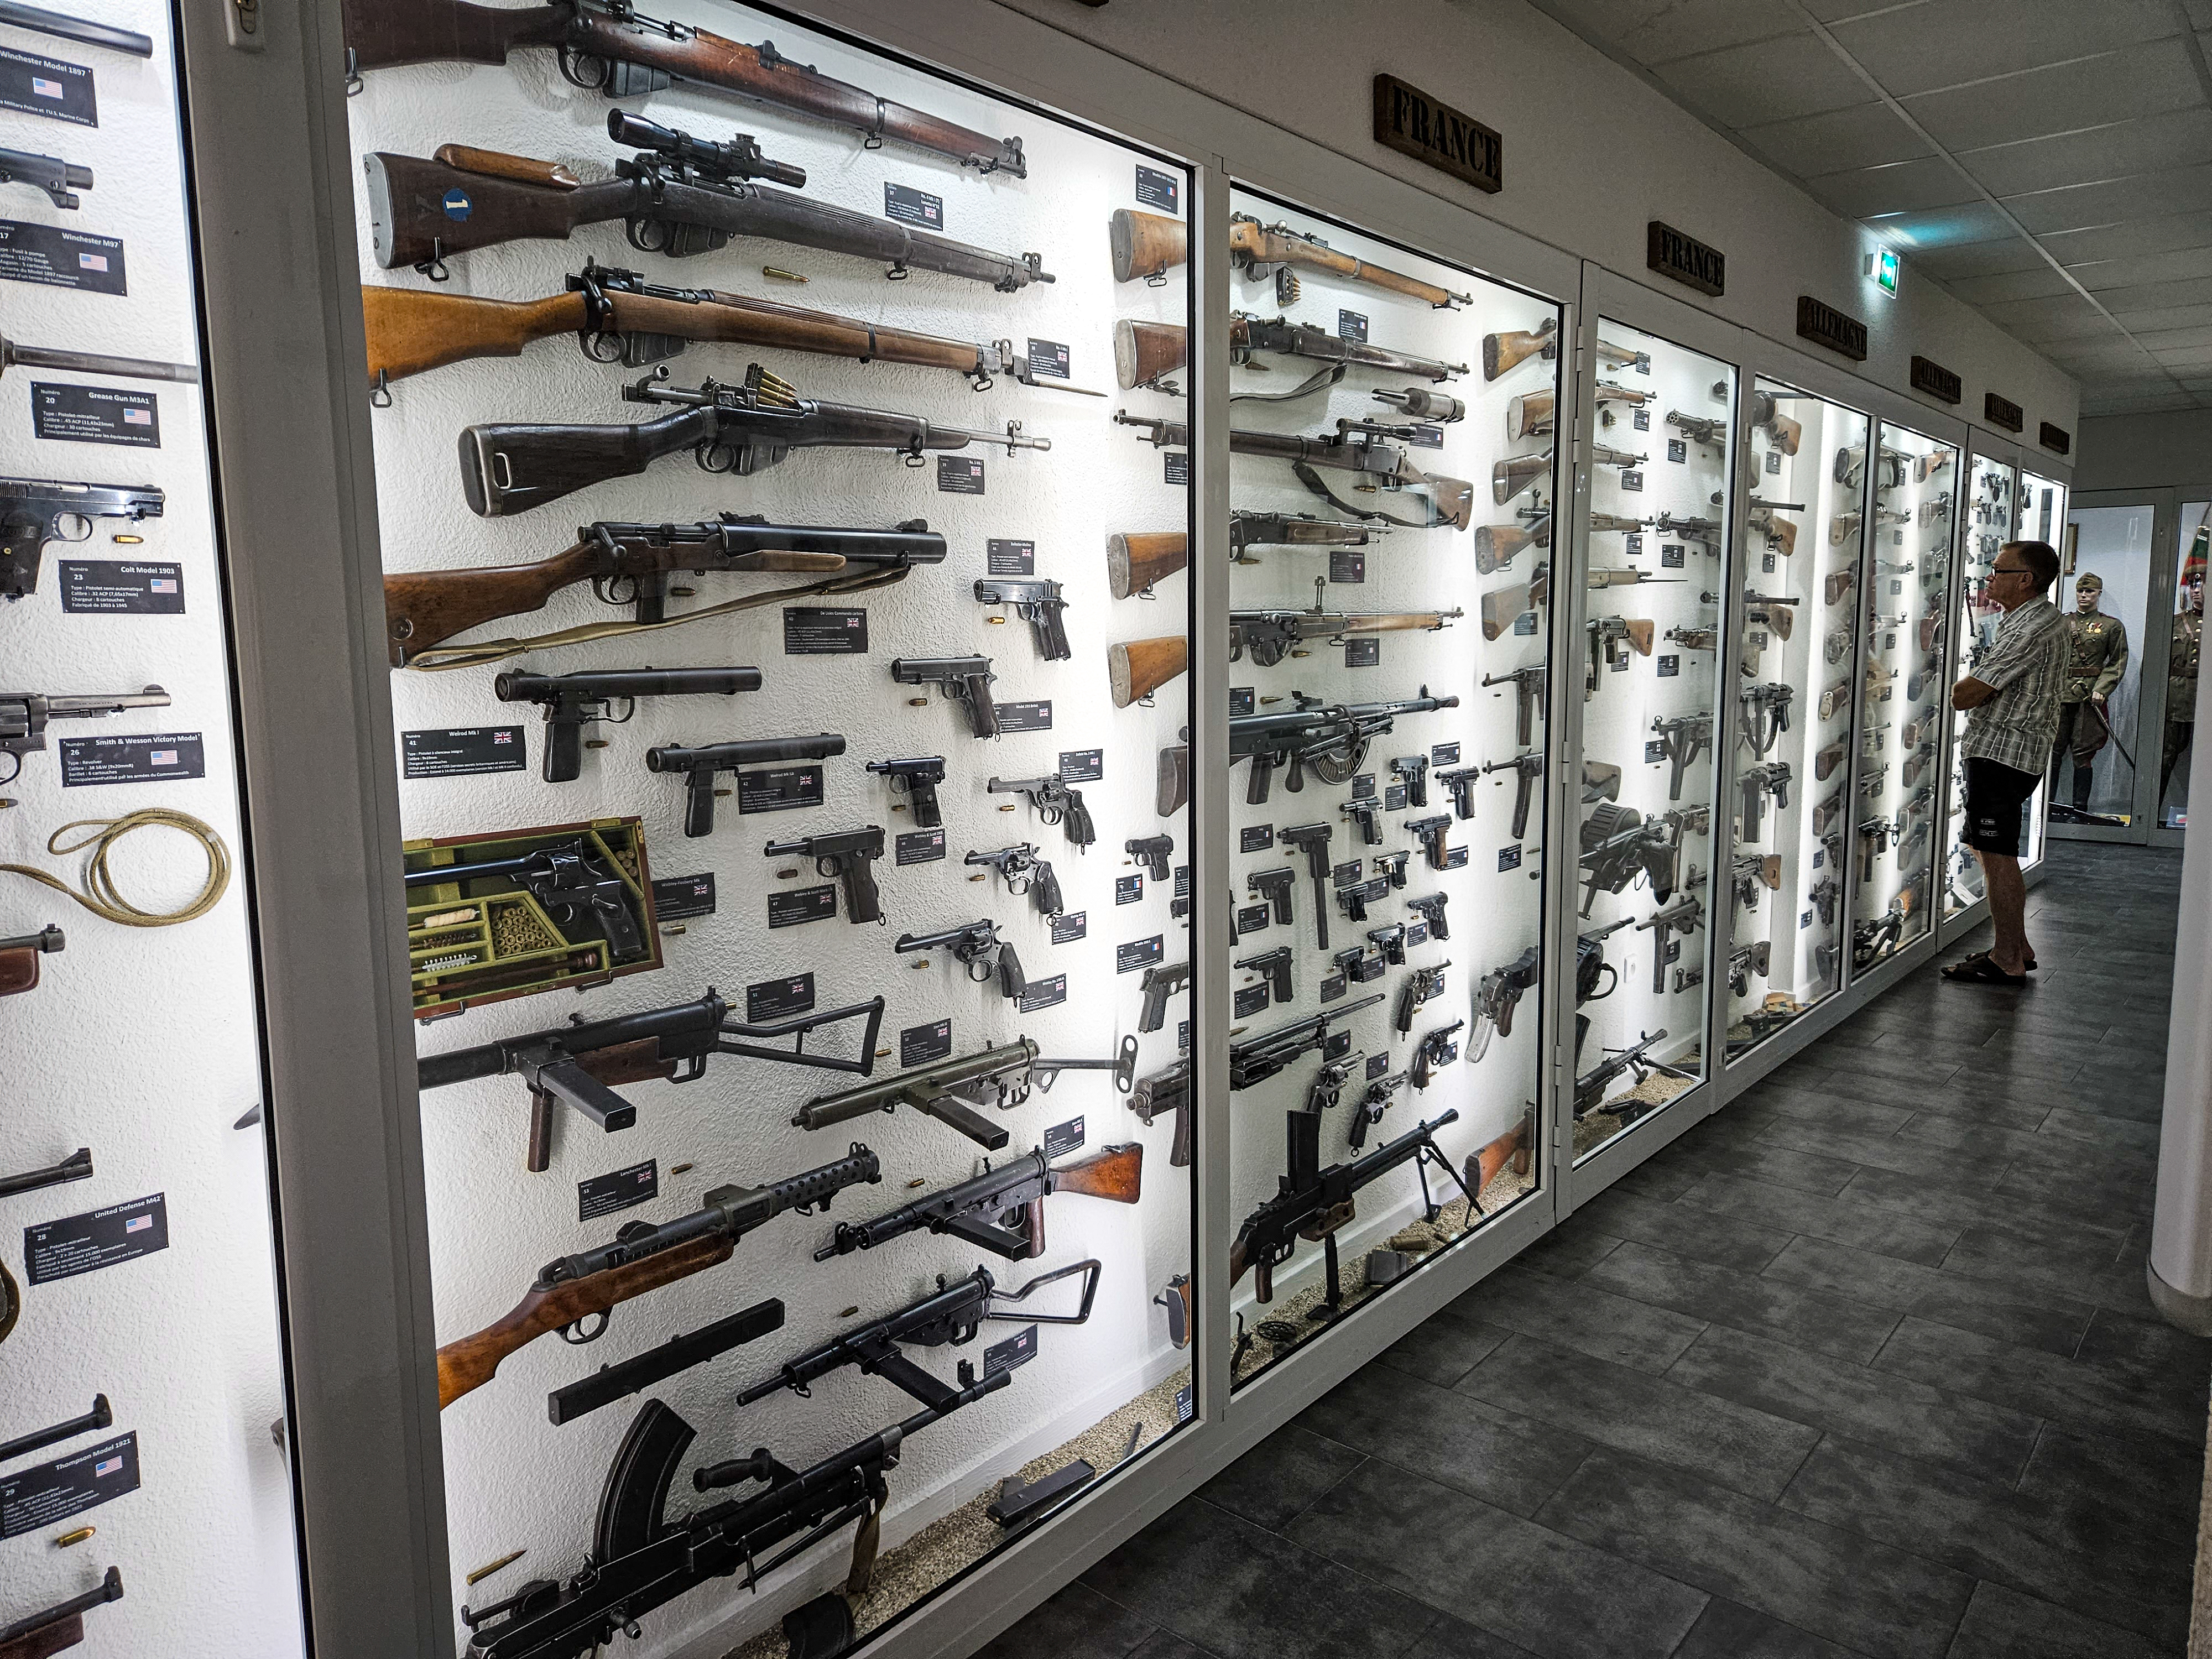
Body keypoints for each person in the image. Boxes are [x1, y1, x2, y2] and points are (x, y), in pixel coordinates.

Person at [1943, 540, 2067, 984]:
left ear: (2026, 580)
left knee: (1997, 856)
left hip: (2003, 753)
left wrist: (1956, 687)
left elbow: (1967, 695)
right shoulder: (2031, 619)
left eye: (1998, 570)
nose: (1990, 577)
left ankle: (2007, 958)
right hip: (2008, 750)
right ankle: (2017, 943)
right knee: (1986, 847)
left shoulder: (2030, 627)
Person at [2050, 571, 2128, 818]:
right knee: (2053, 751)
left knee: (2083, 755)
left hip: (2088, 697)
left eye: (2090, 591)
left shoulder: (2111, 626)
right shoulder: (2061, 622)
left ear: (2098, 594)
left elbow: (2117, 662)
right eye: (2081, 591)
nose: (2084, 596)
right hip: (2060, 695)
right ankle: (2048, 807)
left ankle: (2080, 809)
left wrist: (2101, 690)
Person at [2162, 537, 2203, 822]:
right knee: (2165, 758)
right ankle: (2151, 814)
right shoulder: (2174, 623)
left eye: (2204, 585)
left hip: (2204, 699)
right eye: (2195, 585)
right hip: (2175, 699)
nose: (2198, 591)